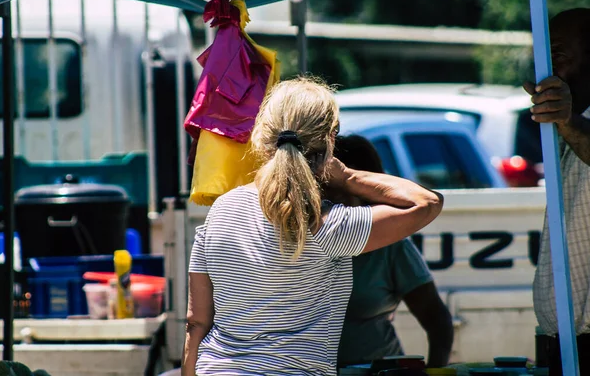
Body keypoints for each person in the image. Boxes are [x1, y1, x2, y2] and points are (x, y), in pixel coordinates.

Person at [182, 76, 444, 376]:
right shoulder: (327, 225)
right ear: (330, 140)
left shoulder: (221, 211)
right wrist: (347, 176)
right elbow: (426, 203)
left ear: (262, 134)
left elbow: (196, 321)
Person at [327, 135, 453, 368]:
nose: (343, 204)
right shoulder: (300, 236)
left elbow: (437, 320)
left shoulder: (391, 244)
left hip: (377, 368)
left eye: (353, 190)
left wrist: (435, 372)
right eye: (332, 192)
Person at [523, 8, 590, 375]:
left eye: (559, 54)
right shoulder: (571, 125)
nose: (547, 70)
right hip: (566, 344)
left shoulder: (575, 122)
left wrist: (567, 120)